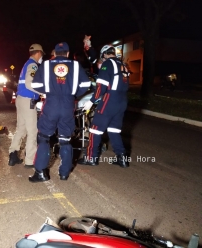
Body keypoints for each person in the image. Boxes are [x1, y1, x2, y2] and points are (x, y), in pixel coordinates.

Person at [28, 42, 91, 182]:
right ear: (68, 53)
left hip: (51, 104)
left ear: (55, 54)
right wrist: (73, 94)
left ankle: (40, 173)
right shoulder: (75, 65)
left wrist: (49, 92)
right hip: (68, 105)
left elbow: (36, 84)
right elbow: (87, 84)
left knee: (44, 138)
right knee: (65, 140)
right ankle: (64, 173)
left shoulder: (46, 65)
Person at [78, 44, 130, 168]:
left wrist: (91, 101)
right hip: (122, 101)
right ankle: (122, 158)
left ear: (105, 54)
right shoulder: (123, 65)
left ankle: (91, 158)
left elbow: (101, 86)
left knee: (95, 129)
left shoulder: (108, 64)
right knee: (114, 131)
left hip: (110, 100)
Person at [8, 44, 45, 168]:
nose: (42, 57)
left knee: (21, 129)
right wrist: (43, 93)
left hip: (21, 99)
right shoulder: (33, 65)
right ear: (38, 53)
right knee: (32, 131)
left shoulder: (26, 64)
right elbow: (30, 83)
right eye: (41, 54)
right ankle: (30, 161)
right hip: (28, 101)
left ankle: (13, 155)